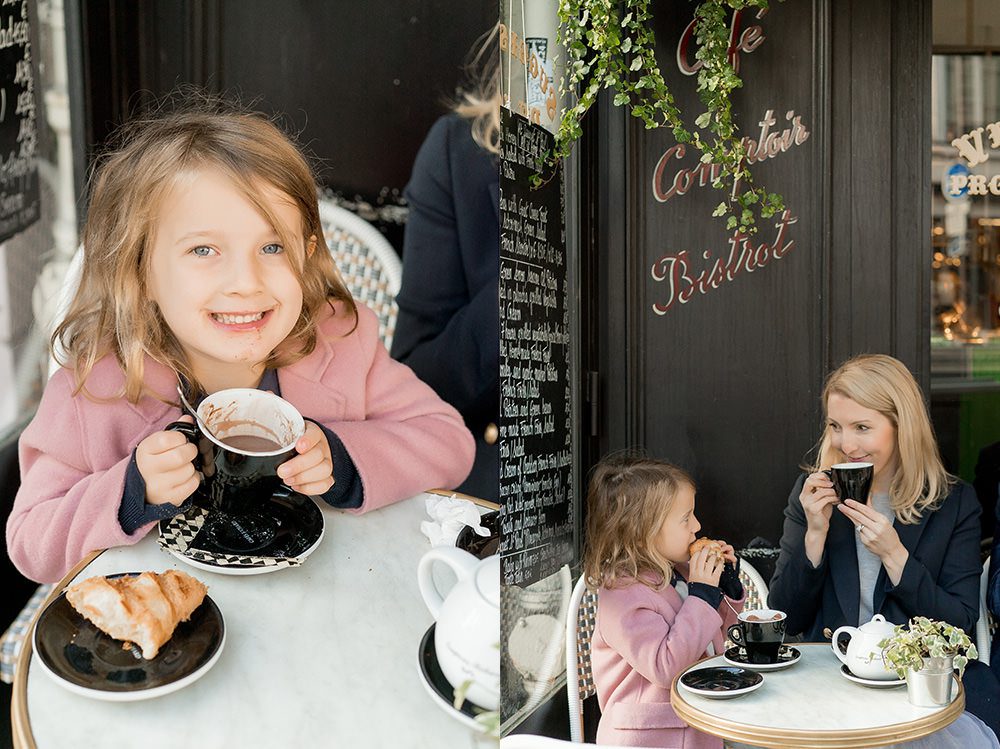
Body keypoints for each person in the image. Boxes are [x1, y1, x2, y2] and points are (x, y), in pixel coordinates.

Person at [5, 98, 475, 584]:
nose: (245, 282)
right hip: (172, 636)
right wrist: (129, 490)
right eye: (203, 250)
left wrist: (344, 459)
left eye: (272, 247)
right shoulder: (96, 389)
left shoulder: (341, 344)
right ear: (141, 269)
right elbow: (30, 542)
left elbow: (450, 441)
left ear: (306, 254)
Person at [769, 353, 999, 746]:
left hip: (914, 694)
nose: (846, 444)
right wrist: (815, 534)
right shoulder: (812, 495)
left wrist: (895, 556)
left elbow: (958, 627)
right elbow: (785, 619)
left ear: (901, 427)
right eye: (836, 426)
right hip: (827, 684)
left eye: (862, 427)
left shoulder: (953, 503)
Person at [390, 27, 499, 503]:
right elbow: (418, 387)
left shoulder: (683, 155)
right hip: (496, 483)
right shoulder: (459, 152)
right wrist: (530, 278)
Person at [584, 454, 745, 748]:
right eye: (686, 518)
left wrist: (725, 587)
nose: (697, 525)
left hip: (699, 726)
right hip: (649, 737)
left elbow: (714, 638)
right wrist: (703, 594)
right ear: (643, 531)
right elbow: (665, 667)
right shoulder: (621, 594)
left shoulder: (681, 573)